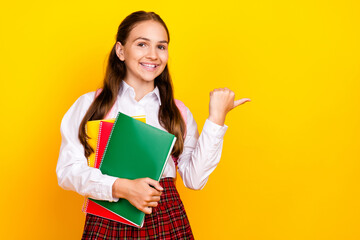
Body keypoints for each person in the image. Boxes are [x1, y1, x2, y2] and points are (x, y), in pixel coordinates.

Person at [56, 10, 250, 240]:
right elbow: (67, 171)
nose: (153, 55)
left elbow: (195, 179)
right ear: (120, 51)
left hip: (165, 216)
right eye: (141, 44)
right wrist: (122, 187)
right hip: (108, 217)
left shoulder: (178, 113)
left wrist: (216, 119)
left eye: (161, 46)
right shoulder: (90, 105)